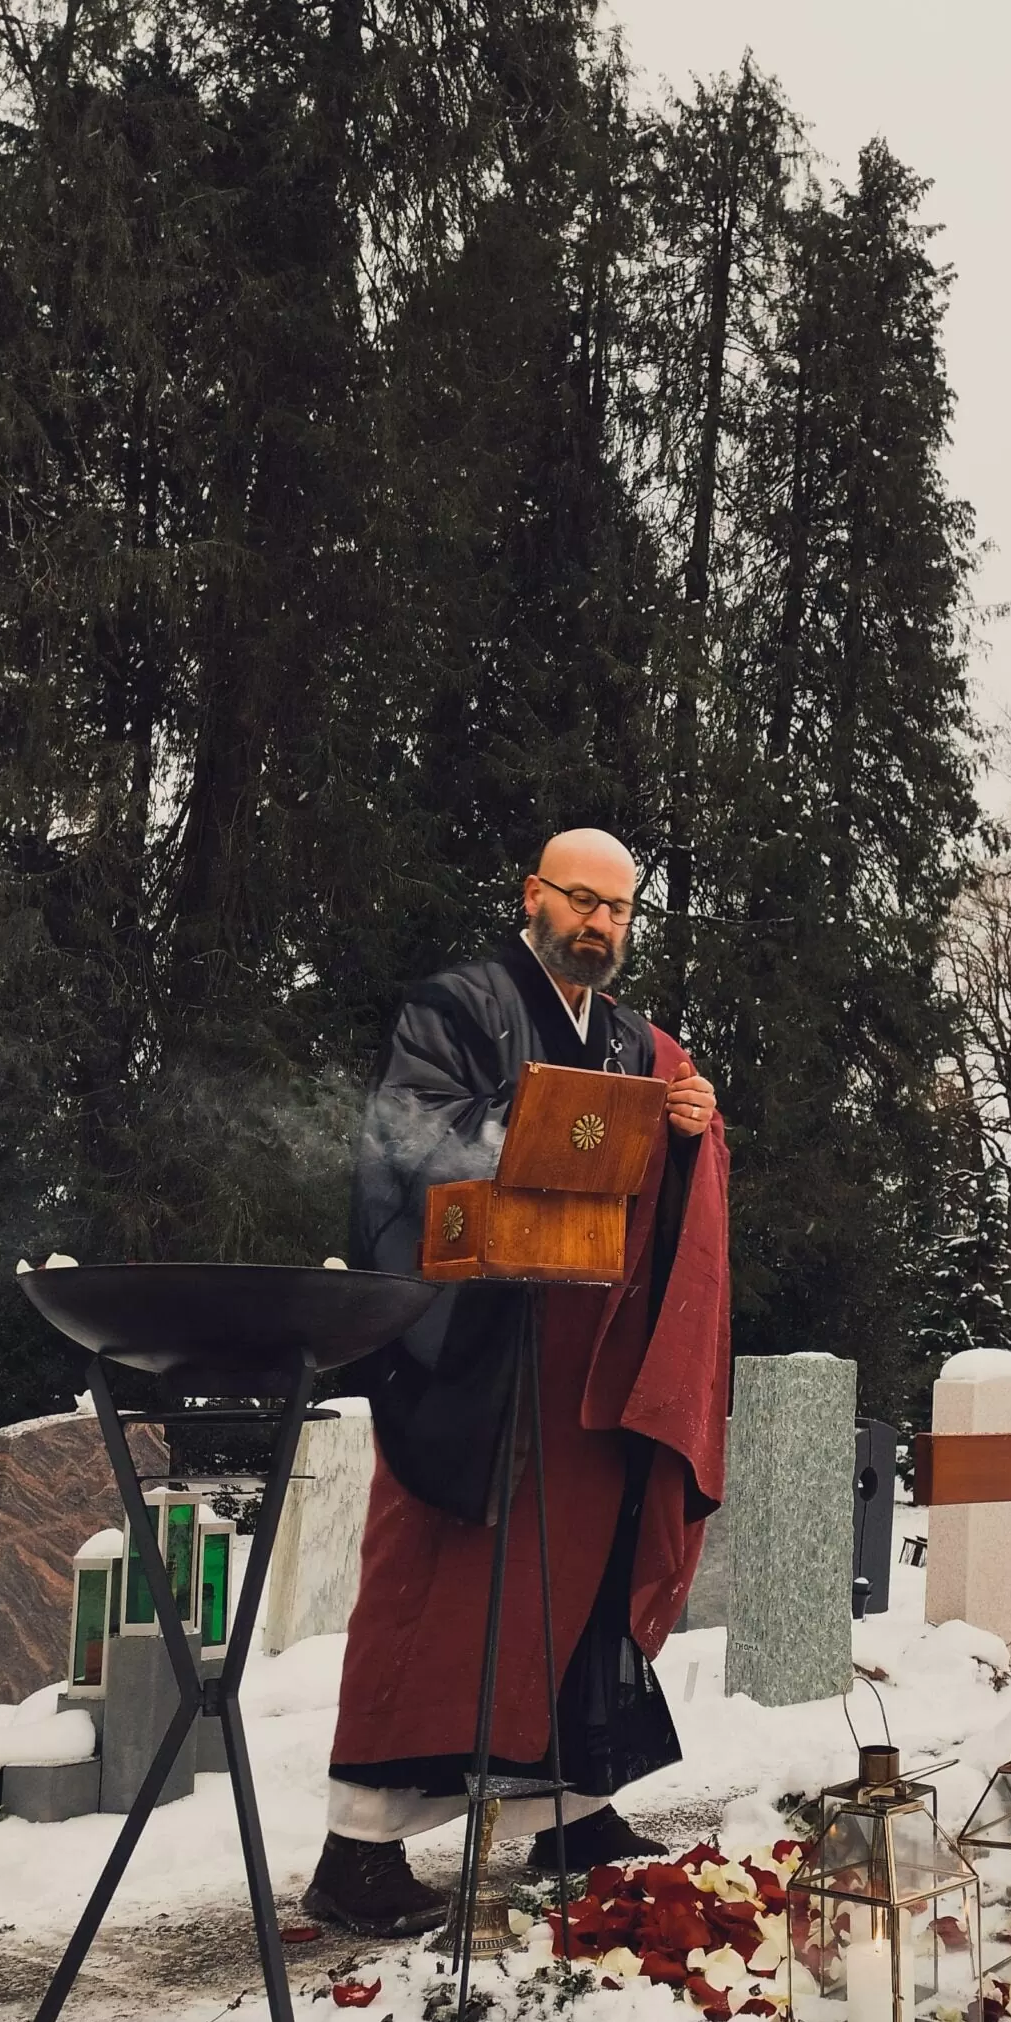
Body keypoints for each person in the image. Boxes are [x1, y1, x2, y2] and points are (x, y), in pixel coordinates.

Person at [304, 829, 729, 1936]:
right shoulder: (459, 1004)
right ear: (532, 893)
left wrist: (688, 1128)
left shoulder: (637, 1038)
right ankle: (358, 1847)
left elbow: (659, 1158)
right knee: (435, 1582)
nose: (601, 926)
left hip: (588, 1361)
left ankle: (570, 1810)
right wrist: (531, 1135)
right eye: (584, 902)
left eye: (621, 911)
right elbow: (410, 1134)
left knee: (578, 1584)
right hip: (484, 1348)